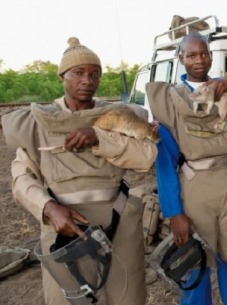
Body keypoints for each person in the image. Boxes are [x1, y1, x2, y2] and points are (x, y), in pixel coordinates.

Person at [1, 37, 157, 305]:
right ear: (63, 75)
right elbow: (21, 178)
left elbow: (145, 158)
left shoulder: (115, 117)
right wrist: (48, 208)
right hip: (63, 227)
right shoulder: (39, 123)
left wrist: (98, 138)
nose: (88, 80)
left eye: (95, 74)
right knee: (70, 299)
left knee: (126, 296)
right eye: (79, 73)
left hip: (116, 222)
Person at [145, 32, 227, 305]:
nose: (199, 60)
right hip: (195, 185)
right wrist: (174, 212)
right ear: (181, 59)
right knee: (194, 263)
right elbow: (164, 161)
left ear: (211, 55)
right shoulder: (171, 99)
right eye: (191, 55)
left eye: (204, 53)